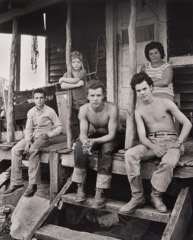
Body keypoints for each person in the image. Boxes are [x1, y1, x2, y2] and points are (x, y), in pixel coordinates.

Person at [119, 72, 192, 214]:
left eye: (144, 89)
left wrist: (178, 142)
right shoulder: (139, 110)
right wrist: (154, 146)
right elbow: (142, 137)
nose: (142, 93)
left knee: (169, 162)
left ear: (151, 87)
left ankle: (156, 195)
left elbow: (187, 123)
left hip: (171, 141)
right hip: (152, 142)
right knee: (130, 154)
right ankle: (137, 196)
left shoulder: (165, 102)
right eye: (138, 90)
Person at [71, 80, 125, 208]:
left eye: (98, 95)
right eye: (92, 96)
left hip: (116, 136)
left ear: (104, 95)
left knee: (105, 149)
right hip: (97, 136)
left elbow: (111, 135)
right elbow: (83, 134)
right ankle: (80, 186)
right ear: (87, 97)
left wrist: (94, 141)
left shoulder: (111, 108)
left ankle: (100, 191)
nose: (95, 99)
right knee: (79, 146)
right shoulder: (84, 109)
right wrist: (86, 143)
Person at [4, 88, 65, 197]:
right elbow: (28, 128)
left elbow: (59, 127)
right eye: (37, 98)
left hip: (45, 136)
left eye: (41, 98)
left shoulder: (50, 111)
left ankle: (33, 183)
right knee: (15, 149)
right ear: (33, 99)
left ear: (45, 99)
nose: (39, 100)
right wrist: (27, 140)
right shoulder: (31, 112)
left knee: (33, 150)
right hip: (33, 136)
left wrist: (49, 135)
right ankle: (16, 182)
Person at [59, 51, 87, 142]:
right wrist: (77, 85)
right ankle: (75, 139)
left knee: (82, 120)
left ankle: (82, 138)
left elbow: (75, 80)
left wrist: (63, 79)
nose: (76, 64)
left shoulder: (82, 72)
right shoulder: (67, 74)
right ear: (70, 63)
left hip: (82, 101)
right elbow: (63, 86)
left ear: (81, 63)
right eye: (73, 62)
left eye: (78, 62)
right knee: (73, 122)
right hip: (71, 102)